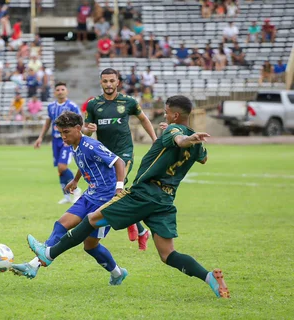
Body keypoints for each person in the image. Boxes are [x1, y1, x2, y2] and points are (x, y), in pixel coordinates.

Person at [26, 95, 230, 299]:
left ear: (175, 115)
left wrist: (182, 137)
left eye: (166, 112)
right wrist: (191, 139)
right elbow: (203, 158)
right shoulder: (196, 142)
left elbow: (179, 139)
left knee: (92, 219)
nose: (164, 115)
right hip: (165, 200)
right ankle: (208, 277)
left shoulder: (172, 130)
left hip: (143, 193)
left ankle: (49, 254)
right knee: (168, 255)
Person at [12, 111, 127, 284]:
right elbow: (86, 163)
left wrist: (119, 188)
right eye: (60, 133)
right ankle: (33, 265)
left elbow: (119, 161)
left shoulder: (91, 145)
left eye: (66, 132)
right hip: (90, 195)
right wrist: (75, 180)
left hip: (105, 201)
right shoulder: (76, 146)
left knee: (90, 246)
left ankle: (118, 273)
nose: (63, 137)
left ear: (78, 128)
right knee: (61, 224)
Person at [83, 68, 157, 250]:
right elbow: (86, 129)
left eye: (112, 81)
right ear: (101, 82)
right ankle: (139, 229)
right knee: (115, 192)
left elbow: (144, 119)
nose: (108, 84)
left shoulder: (128, 101)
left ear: (118, 82)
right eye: (105, 81)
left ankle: (135, 227)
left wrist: (155, 140)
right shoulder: (94, 104)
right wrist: (88, 129)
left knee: (118, 187)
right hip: (104, 156)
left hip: (124, 154)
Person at [34, 82, 82, 204]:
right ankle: (66, 196)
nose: (60, 91)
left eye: (62, 89)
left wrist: (75, 139)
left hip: (67, 141)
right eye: (58, 89)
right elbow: (48, 123)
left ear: (67, 91)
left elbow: (80, 124)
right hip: (56, 141)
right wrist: (40, 138)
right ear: (55, 92)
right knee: (59, 169)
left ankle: (76, 189)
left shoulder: (72, 106)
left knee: (62, 166)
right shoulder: (51, 106)